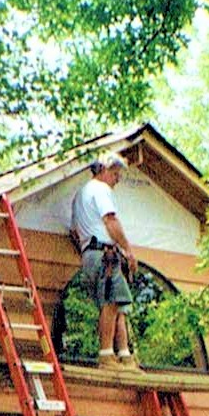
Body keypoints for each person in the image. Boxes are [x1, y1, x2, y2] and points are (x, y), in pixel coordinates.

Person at [70, 152, 139, 370]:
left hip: (90, 254)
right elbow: (110, 220)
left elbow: (73, 231)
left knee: (116, 304)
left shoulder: (80, 195)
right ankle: (107, 356)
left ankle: (125, 356)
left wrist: (86, 250)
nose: (117, 179)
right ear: (103, 170)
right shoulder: (100, 190)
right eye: (115, 173)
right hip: (104, 254)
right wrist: (128, 251)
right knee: (111, 303)